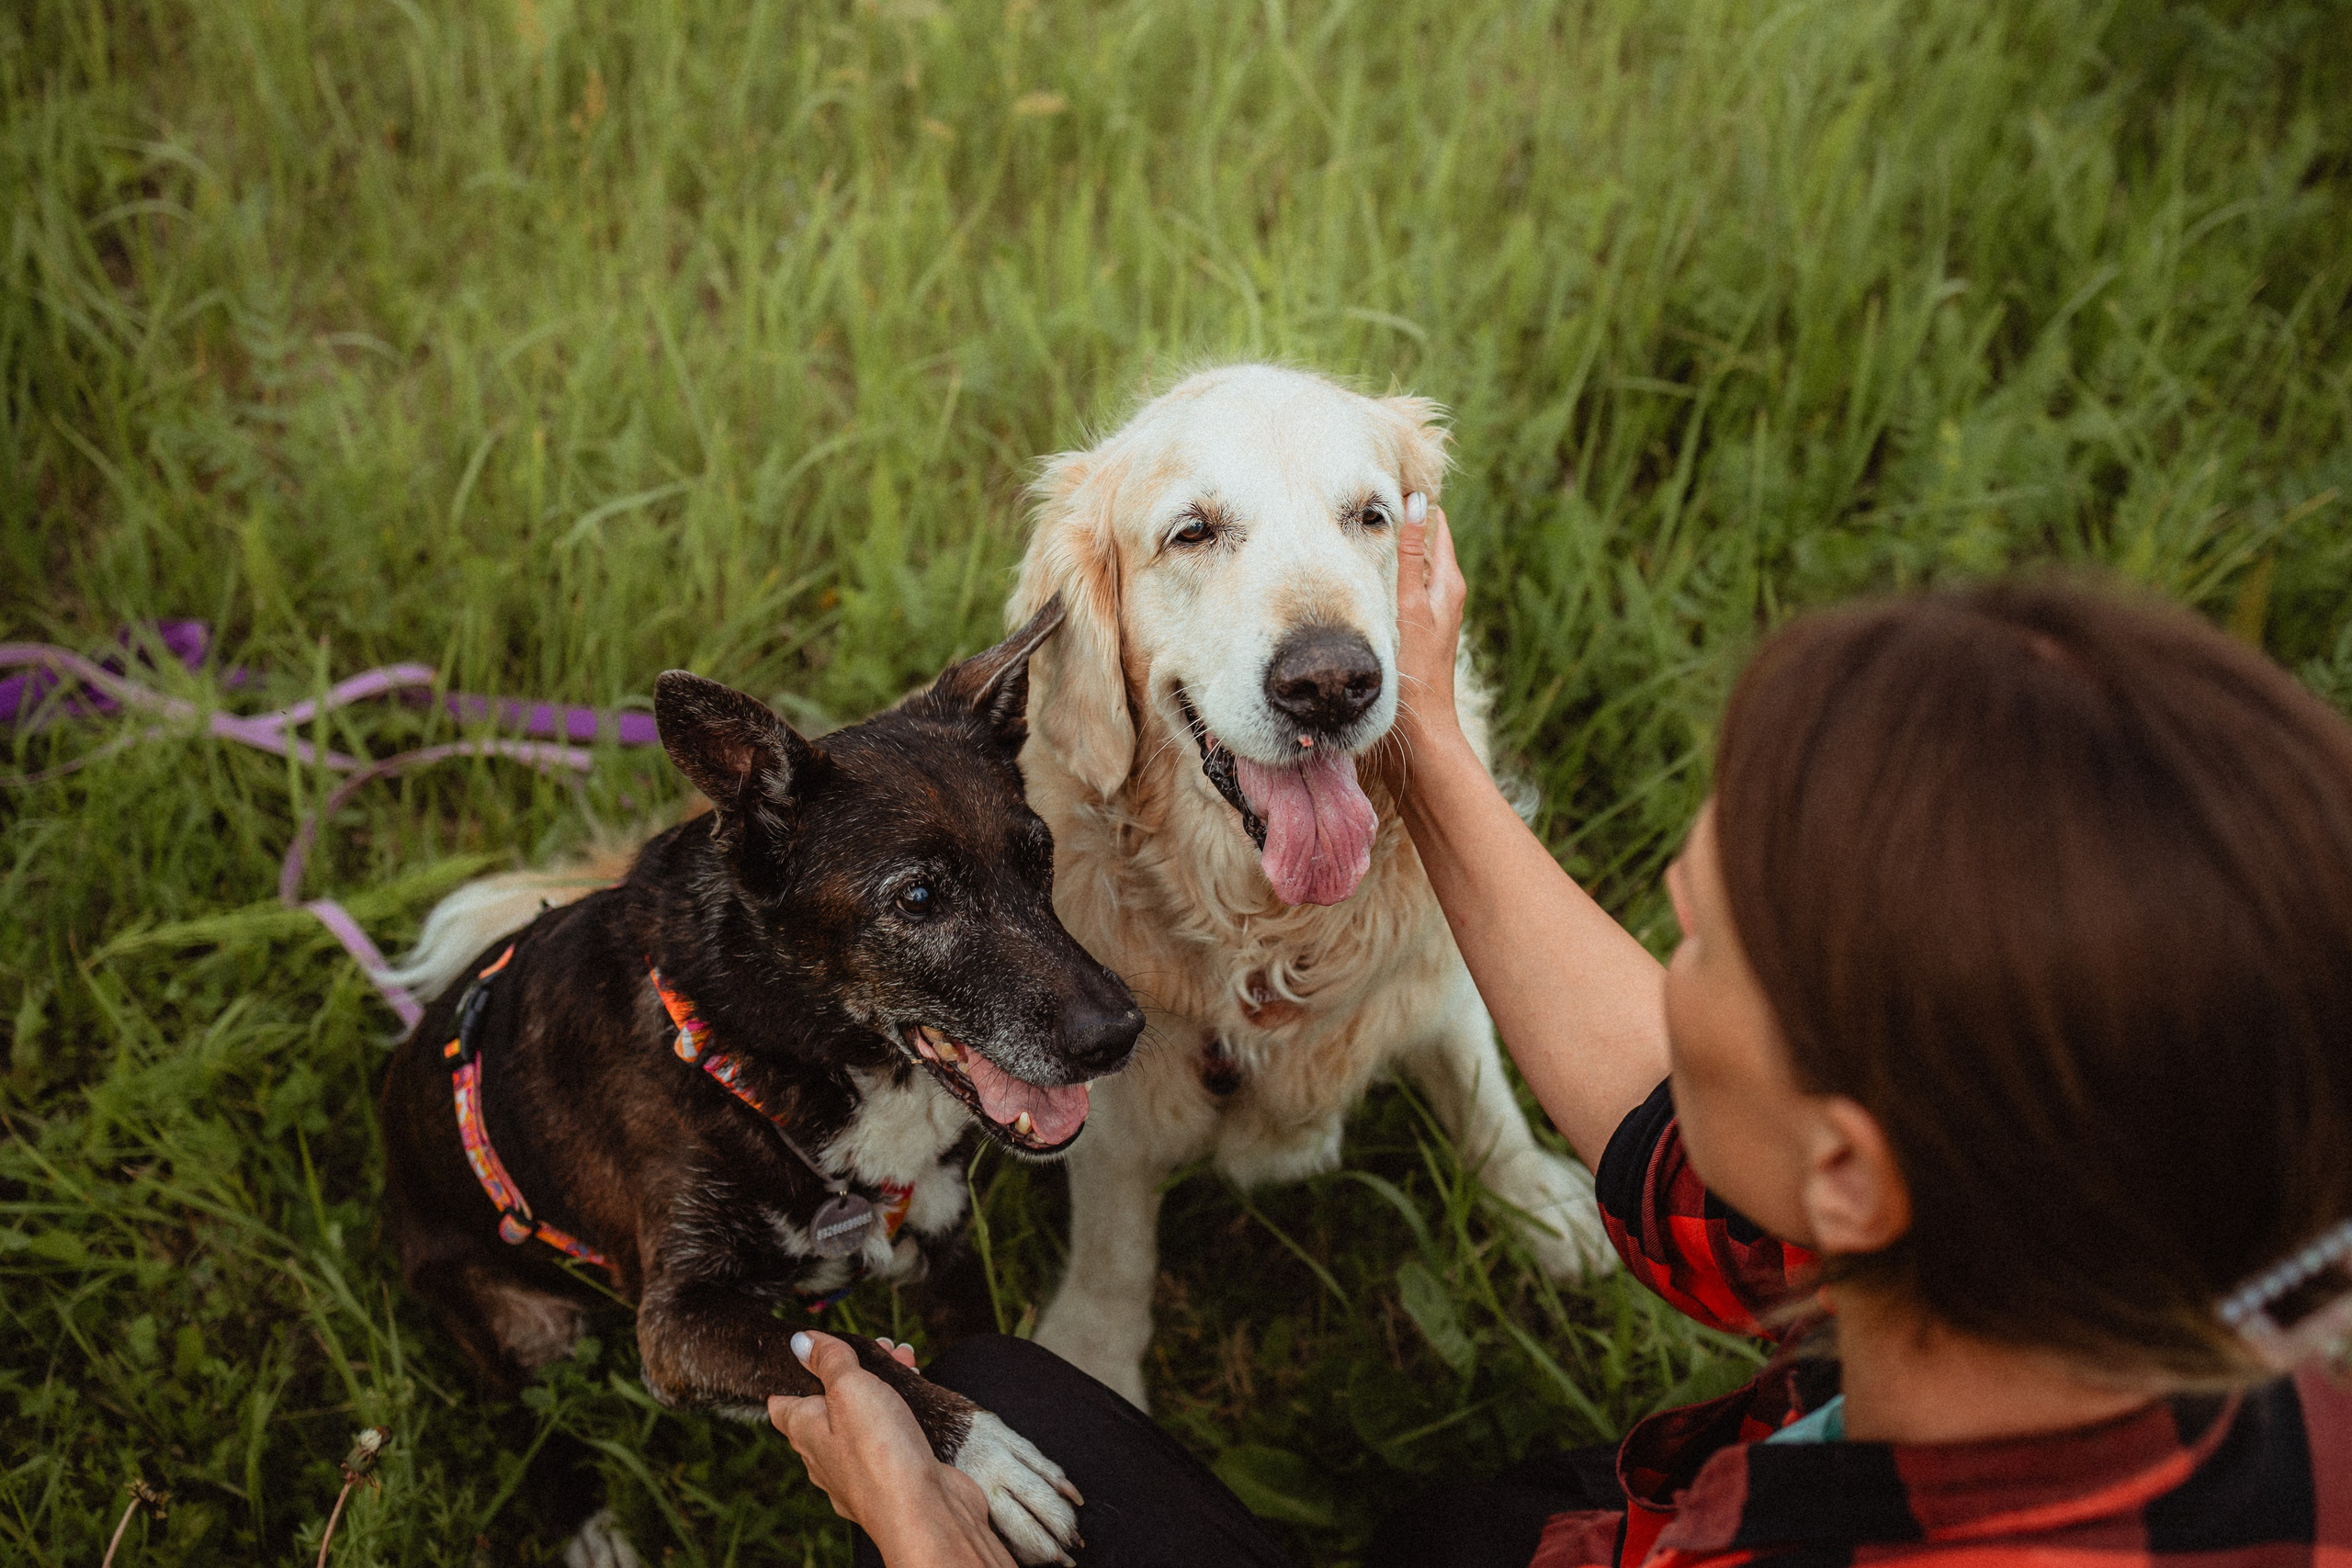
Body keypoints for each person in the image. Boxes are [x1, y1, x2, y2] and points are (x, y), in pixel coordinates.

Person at [769, 502, 2352, 1568]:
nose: (1659, 938)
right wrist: (1422, 738)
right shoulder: (2122, 1261)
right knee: (1465, 1525)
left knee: (992, 1408)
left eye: (1702, 946)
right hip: (1669, 1501)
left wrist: (930, 1552)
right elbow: (1688, 1146)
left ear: (1850, 1173)